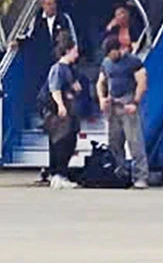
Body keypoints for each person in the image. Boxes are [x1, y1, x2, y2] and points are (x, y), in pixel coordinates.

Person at [95, 33, 150, 189]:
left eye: (111, 53)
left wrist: (135, 102)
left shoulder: (133, 62)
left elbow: (142, 82)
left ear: (118, 49)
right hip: (113, 106)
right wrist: (101, 98)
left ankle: (140, 177)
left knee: (135, 143)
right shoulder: (106, 63)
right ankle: (119, 174)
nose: (110, 57)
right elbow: (101, 82)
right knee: (114, 143)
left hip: (127, 105)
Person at [42, 38, 83, 189]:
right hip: (60, 112)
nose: (77, 54)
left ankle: (57, 174)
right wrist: (60, 105)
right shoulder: (58, 68)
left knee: (67, 141)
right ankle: (59, 174)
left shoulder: (70, 69)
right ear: (67, 51)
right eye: (75, 51)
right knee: (62, 142)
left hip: (69, 110)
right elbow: (55, 88)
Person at [22, 0, 79, 65]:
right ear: (43, 5)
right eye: (48, 4)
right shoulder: (37, 20)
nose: (52, 7)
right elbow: (29, 36)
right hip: (44, 62)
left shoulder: (64, 18)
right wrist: (18, 42)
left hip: (62, 61)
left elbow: (73, 38)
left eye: (53, 4)